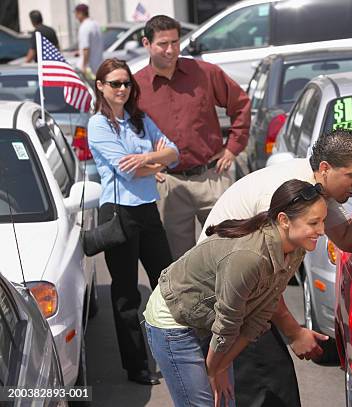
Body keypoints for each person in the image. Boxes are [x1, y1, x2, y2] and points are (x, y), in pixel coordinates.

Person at [197, 129, 352, 407]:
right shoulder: (289, 193)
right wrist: (295, 333)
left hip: (246, 297)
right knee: (269, 390)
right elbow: (262, 279)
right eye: (351, 176)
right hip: (224, 300)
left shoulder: (314, 187)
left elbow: (347, 239)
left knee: (273, 387)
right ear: (326, 169)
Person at [144, 179, 327, 407]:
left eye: (323, 221)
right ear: (284, 220)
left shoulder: (296, 248)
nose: (321, 230)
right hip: (174, 319)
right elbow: (227, 324)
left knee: (225, 401)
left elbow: (260, 315)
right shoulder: (249, 257)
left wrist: (220, 366)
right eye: (314, 223)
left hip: (214, 321)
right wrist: (213, 371)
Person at [88, 58, 179, 385]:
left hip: (147, 209)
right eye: (114, 83)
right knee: (126, 294)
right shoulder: (99, 125)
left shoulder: (139, 119)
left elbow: (174, 151)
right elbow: (128, 170)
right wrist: (155, 163)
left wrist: (147, 158)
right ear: (100, 86)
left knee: (166, 285)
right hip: (119, 214)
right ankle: (137, 365)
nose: (122, 89)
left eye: (126, 83)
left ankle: (172, 353)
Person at [134, 15, 251, 260]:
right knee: (181, 263)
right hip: (168, 184)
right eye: (163, 44)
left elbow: (240, 105)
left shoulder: (205, 73)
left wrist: (232, 147)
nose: (170, 50)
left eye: (175, 43)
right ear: (146, 43)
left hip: (212, 176)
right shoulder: (136, 87)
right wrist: (146, 164)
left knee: (229, 254)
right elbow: (126, 129)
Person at [74, 3, 103, 79]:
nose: (76, 17)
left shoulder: (84, 27)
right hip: (98, 66)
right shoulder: (95, 24)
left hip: (88, 69)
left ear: (80, 13)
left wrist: (84, 66)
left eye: (76, 14)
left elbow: (86, 48)